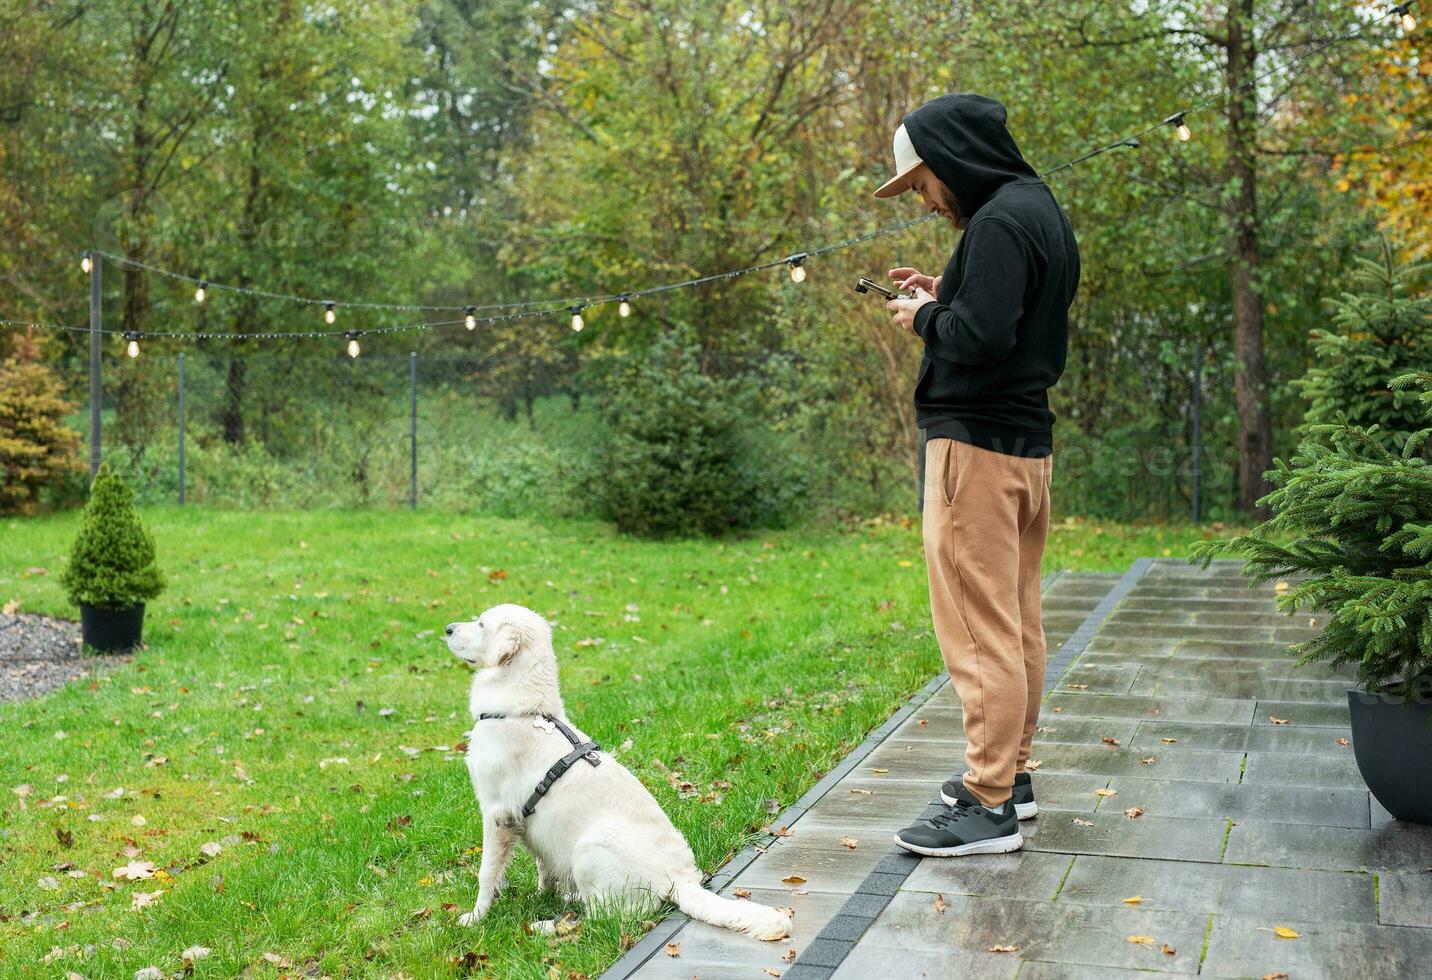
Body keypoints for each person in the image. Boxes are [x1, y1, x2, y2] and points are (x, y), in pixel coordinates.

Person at [874, 93, 1080, 857]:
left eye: (924, 183)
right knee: (1016, 619)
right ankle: (1010, 778)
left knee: (977, 627)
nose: (925, 201)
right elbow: (1008, 323)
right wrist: (944, 295)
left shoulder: (996, 221)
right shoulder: (1037, 210)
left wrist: (923, 319)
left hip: (977, 455)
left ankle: (988, 804)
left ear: (952, 159)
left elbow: (983, 339)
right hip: (1024, 447)